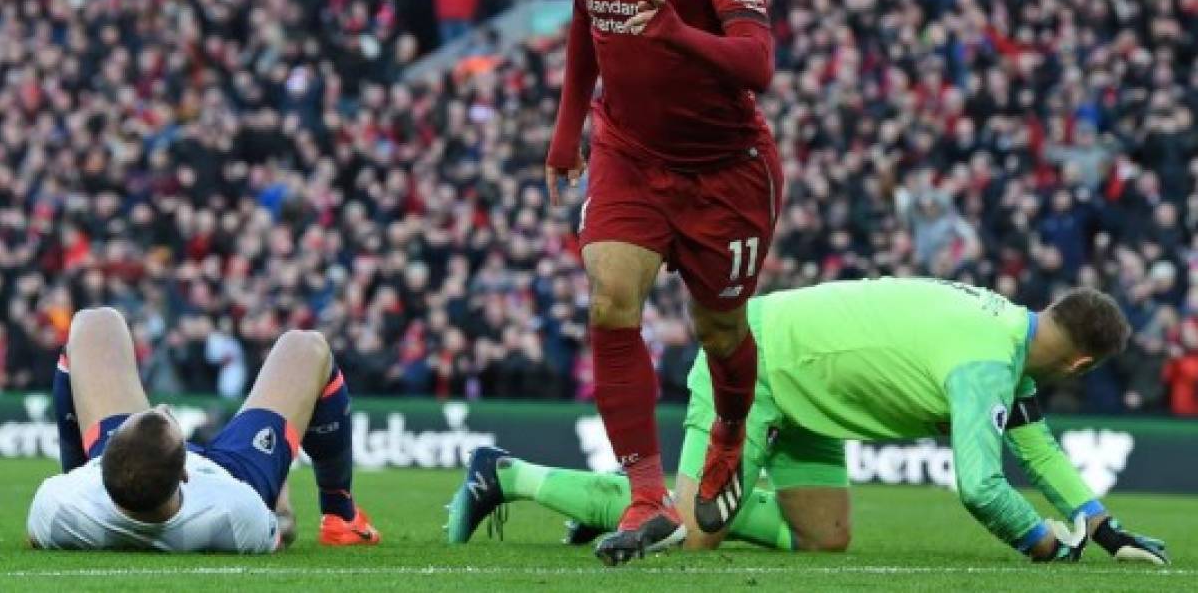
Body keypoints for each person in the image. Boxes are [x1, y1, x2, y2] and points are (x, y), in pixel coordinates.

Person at [447, 279, 1169, 566]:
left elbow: (1031, 440)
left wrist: (1098, 526)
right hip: (755, 368)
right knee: (694, 535)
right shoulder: (986, 363)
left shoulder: (1004, 329)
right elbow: (980, 487)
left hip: (809, 389)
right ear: (1079, 365)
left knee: (825, 539)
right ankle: (508, 473)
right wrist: (1048, 545)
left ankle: (644, 497)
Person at [545, 0, 781, 563]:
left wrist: (673, 30)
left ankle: (728, 430)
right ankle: (646, 495)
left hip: (724, 167)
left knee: (718, 331)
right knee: (610, 300)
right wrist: (566, 129)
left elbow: (756, 64)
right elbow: (587, 23)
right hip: (628, 152)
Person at [26, 307, 380, 552]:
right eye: (167, 418)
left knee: (94, 322)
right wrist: (280, 496)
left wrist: (77, 480)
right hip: (235, 473)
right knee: (306, 346)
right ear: (184, 471)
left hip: (115, 484)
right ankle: (341, 516)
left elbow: (39, 530)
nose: (161, 407)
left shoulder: (59, 506)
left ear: (103, 460)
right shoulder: (234, 512)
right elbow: (281, 529)